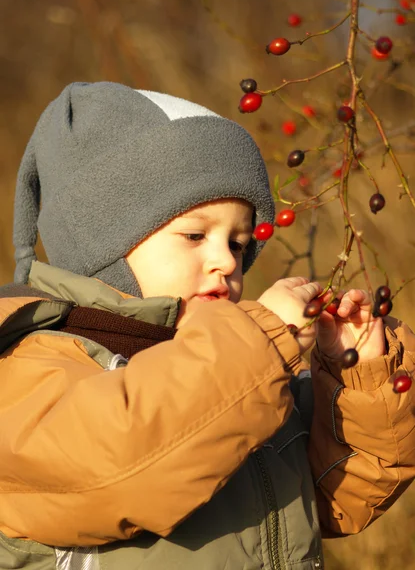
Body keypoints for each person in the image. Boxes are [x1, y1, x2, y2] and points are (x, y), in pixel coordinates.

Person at [0, 81, 414, 570]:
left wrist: (359, 377)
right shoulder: (30, 363)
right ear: (102, 242)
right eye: (195, 235)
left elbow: (339, 494)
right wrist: (259, 340)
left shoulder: (243, 381)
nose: (226, 261)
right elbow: (120, 466)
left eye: (239, 243)